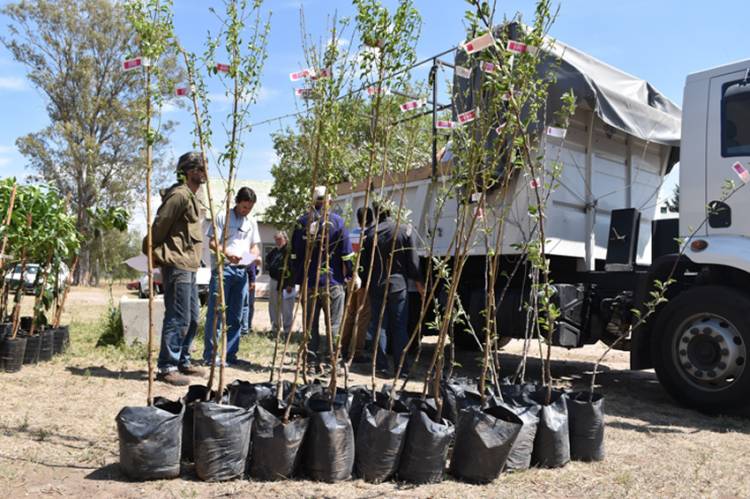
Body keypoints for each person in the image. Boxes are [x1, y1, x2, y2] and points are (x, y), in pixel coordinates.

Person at [145, 151, 207, 386]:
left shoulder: (192, 196)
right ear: (191, 171)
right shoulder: (179, 195)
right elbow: (160, 225)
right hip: (177, 263)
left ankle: (183, 360)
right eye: (202, 169)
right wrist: (150, 252)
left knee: (191, 317)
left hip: (189, 265)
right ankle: (167, 366)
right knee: (178, 315)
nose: (205, 173)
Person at [291, 186, 353, 372]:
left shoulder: (301, 223)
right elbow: (347, 255)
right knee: (333, 324)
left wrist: (298, 279)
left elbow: (294, 255)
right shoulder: (338, 222)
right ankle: (331, 362)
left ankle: (310, 363)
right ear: (329, 202)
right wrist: (350, 274)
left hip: (309, 283)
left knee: (310, 325)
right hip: (332, 283)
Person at [361, 203, 423, 378]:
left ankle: (380, 367)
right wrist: (419, 282)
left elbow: (365, 265)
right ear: (391, 211)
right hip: (398, 286)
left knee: (379, 327)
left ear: (375, 213)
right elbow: (412, 261)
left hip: (377, 285)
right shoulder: (403, 230)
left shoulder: (370, 234)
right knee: (399, 327)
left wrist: (365, 286)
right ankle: (401, 368)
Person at [203, 187, 261, 366]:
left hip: (242, 272)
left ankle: (230, 355)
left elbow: (255, 247)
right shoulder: (223, 217)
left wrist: (253, 258)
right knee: (216, 314)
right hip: (223, 270)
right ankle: (211, 356)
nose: (246, 211)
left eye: (249, 208)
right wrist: (228, 254)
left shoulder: (251, 221)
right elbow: (213, 242)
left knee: (236, 316)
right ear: (237, 202)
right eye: (244, 207)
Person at [341, 207, 374, 364]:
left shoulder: (350, 234)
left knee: (350, 313)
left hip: (350, 278)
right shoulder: (370, 235)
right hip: (364, 279)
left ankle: (343, 347)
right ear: (372, 218)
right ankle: (357, 352)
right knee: (363, 315)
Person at [266, 231, 294, 337]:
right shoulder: (273, 252)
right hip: (274, 281)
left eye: (279, 239)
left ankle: (287, 331)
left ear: (285, 239)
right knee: (273, 305)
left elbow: (294, 268)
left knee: (287, 308)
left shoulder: (289, 251)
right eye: (275, 239)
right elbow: (268, 262)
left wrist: (290, 284)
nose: (277, 241)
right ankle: (275, 328)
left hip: (287, 283)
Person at [241, 261, 258, 336]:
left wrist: (252, 280)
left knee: (247, 305)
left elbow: (251, 262)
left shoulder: (248, 252)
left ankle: (245, 329)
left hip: (246, 276)